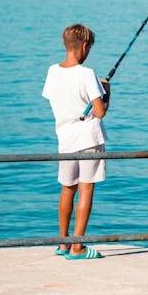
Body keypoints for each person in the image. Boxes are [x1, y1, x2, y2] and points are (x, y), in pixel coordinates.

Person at [42, 24, 110, 260]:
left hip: (65, 138)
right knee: (86, 188)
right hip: (89, 138)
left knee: (67, 188)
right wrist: (106, 92)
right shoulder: (87, 74)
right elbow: (100, 112)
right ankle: (78, 247)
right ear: (84, 46)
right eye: (89, 46)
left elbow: (56, 99)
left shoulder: (53, 71)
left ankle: (63, 243)